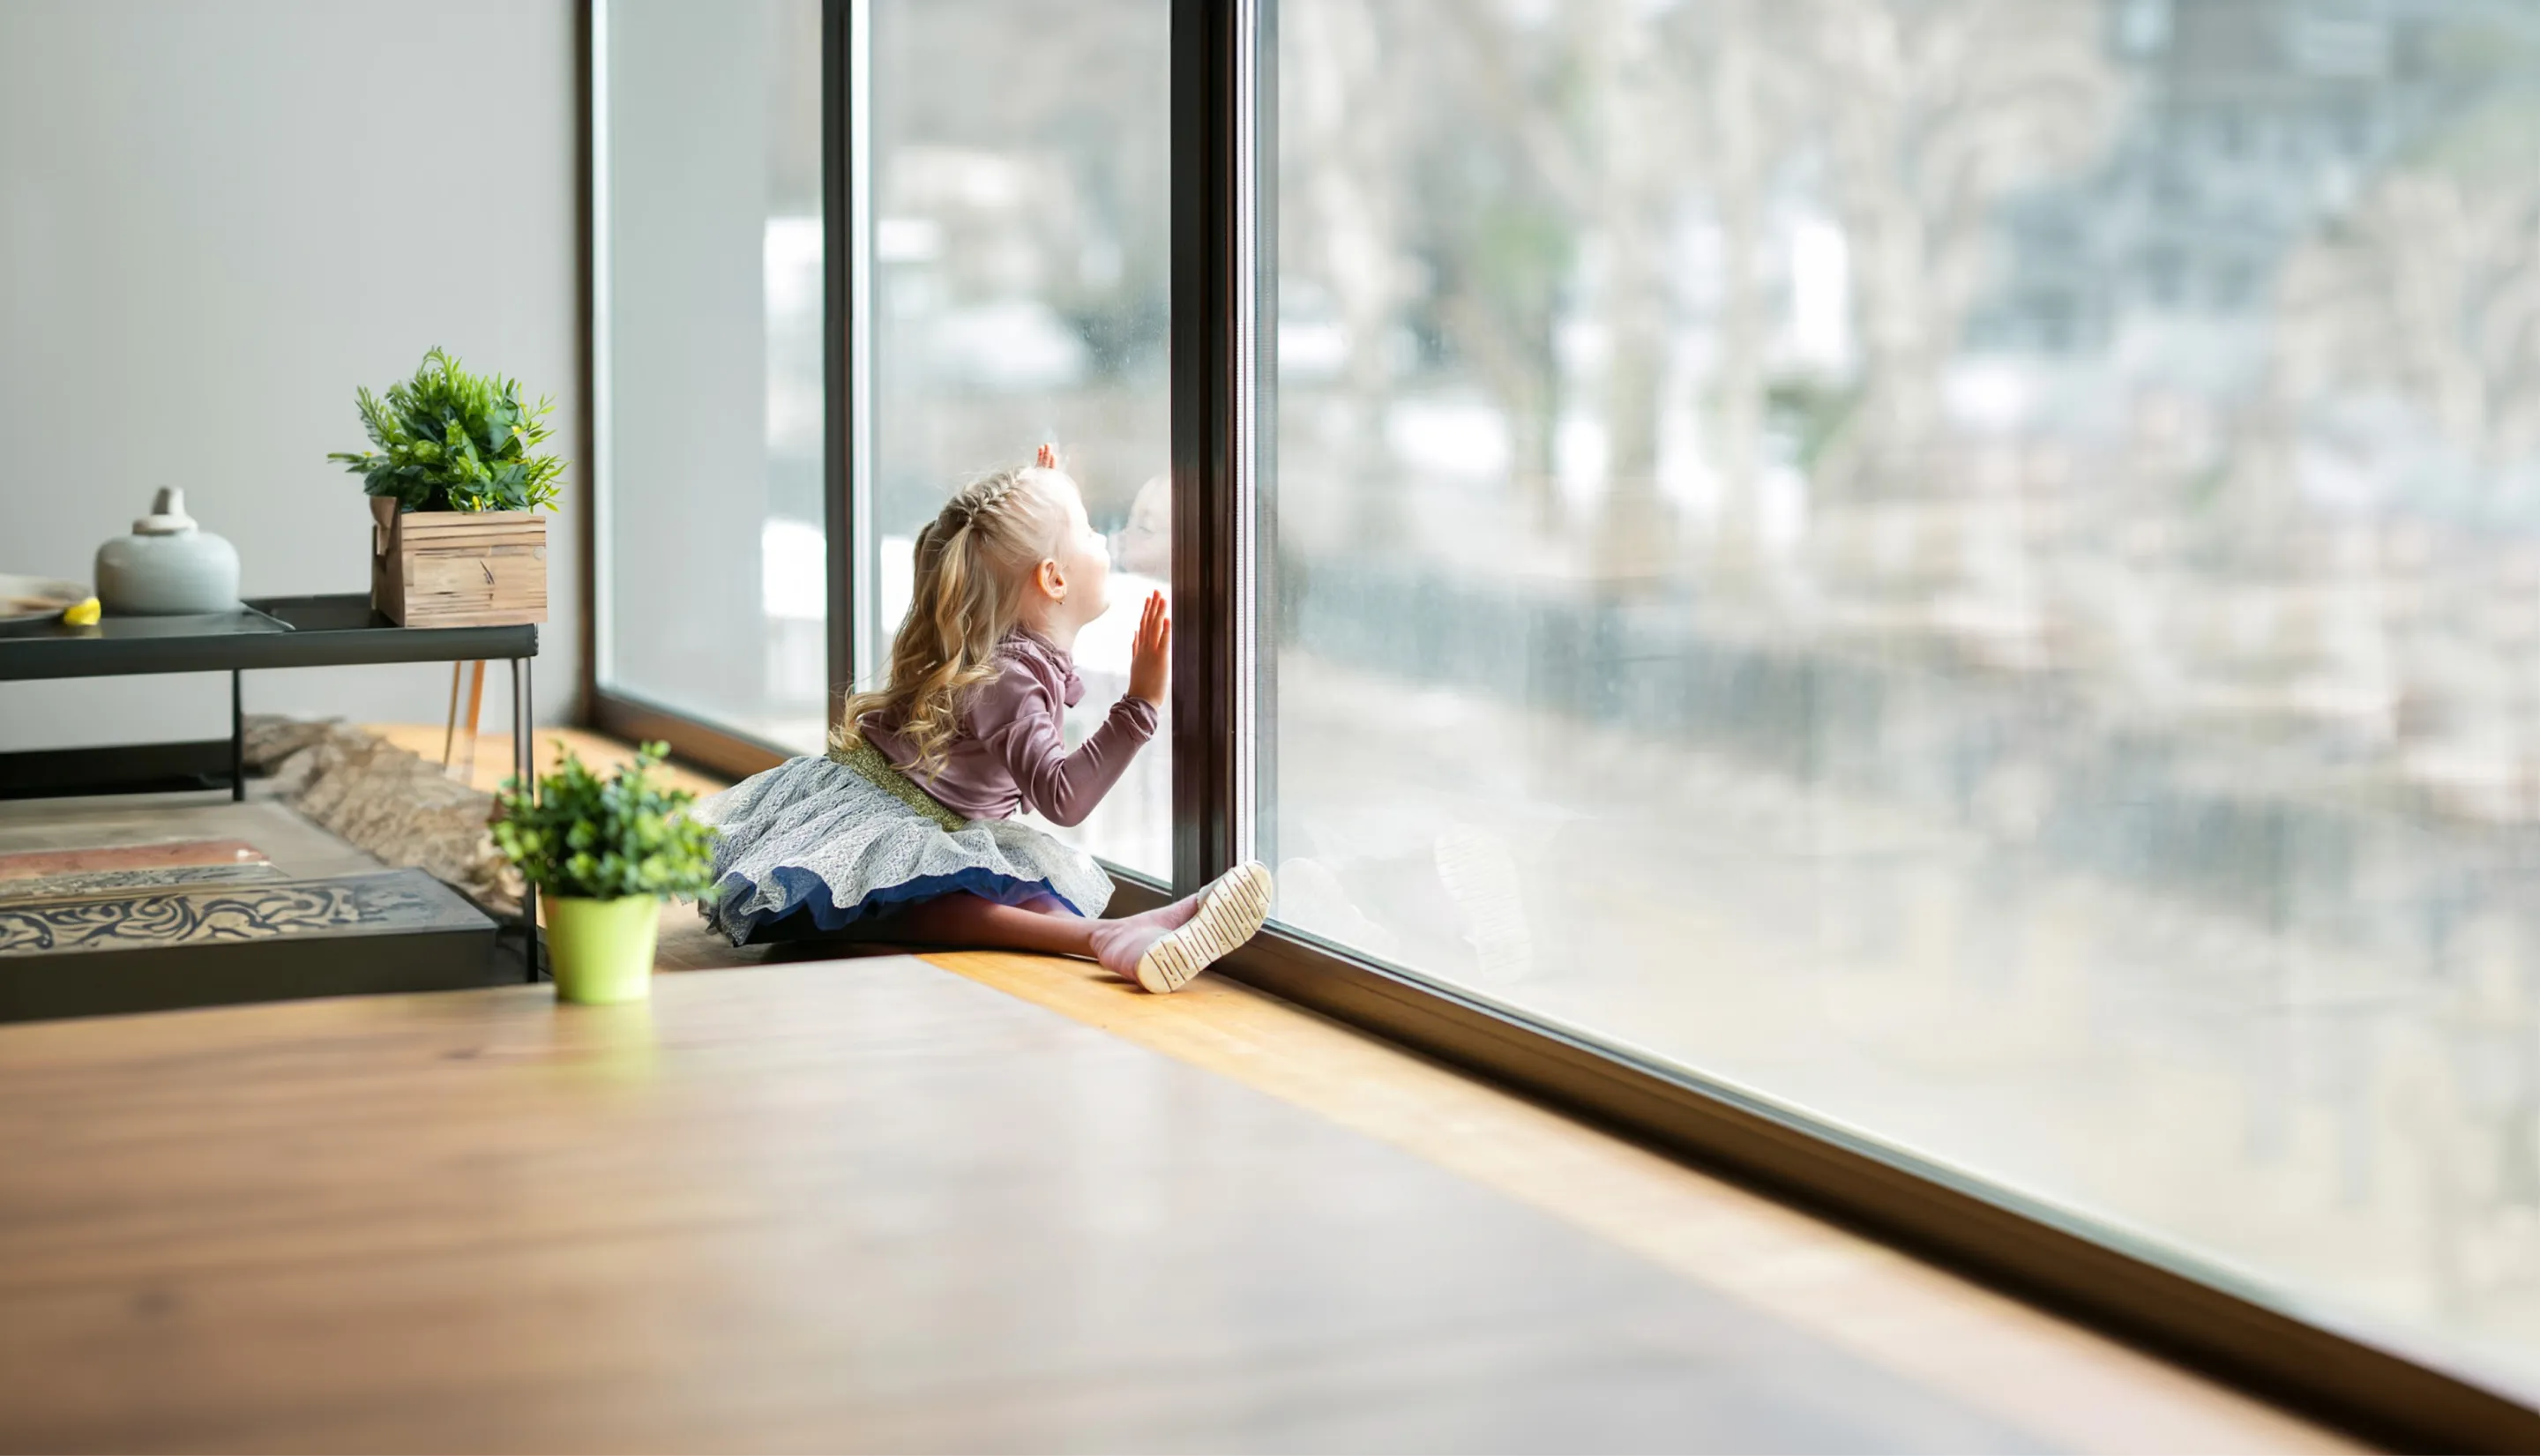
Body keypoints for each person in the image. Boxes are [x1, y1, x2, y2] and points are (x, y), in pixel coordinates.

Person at [697, 445, 1271, 994]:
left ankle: (1132, 934)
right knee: (940, 897)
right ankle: (1105, 936)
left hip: (938, 819)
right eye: (1091, 530)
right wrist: (1139, 704)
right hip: (880, 828)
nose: (1105, 539)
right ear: (1053, 578)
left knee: (1025, 892)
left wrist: (1046, 499)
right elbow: (1064, 799)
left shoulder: (1007, 642)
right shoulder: (1009, 681)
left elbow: (994, 547)